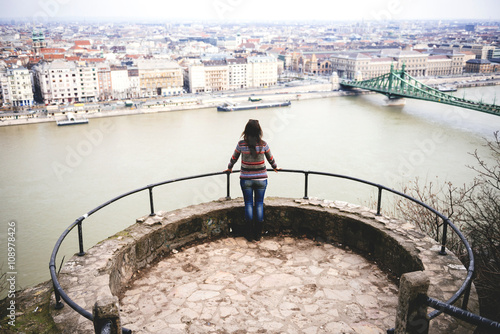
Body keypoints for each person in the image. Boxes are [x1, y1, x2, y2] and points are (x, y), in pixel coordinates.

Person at [224, 119, 279, 241]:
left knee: (248, 204)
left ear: (246, 130)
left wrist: (229, 168)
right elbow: (271, 159)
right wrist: (275, 167)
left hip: (246, 179)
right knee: (259, 204)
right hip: (261, 179)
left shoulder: (241, 144)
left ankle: (249, 234)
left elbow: (234, 158)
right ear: (259, 131)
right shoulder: (263, 144)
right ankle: (258, 235)